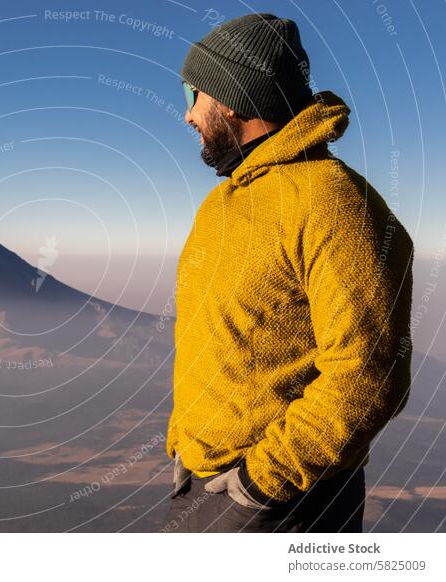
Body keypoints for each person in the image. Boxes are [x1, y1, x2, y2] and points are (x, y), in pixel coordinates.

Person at [162, 13, 414, 533]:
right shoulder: (224, 204)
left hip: (285, 503)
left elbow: (369, 372)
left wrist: (260, 483)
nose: (186, 116)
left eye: (191, 94)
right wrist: (186, 446)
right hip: (203, 482)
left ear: (230, 96)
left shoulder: (333, 202)